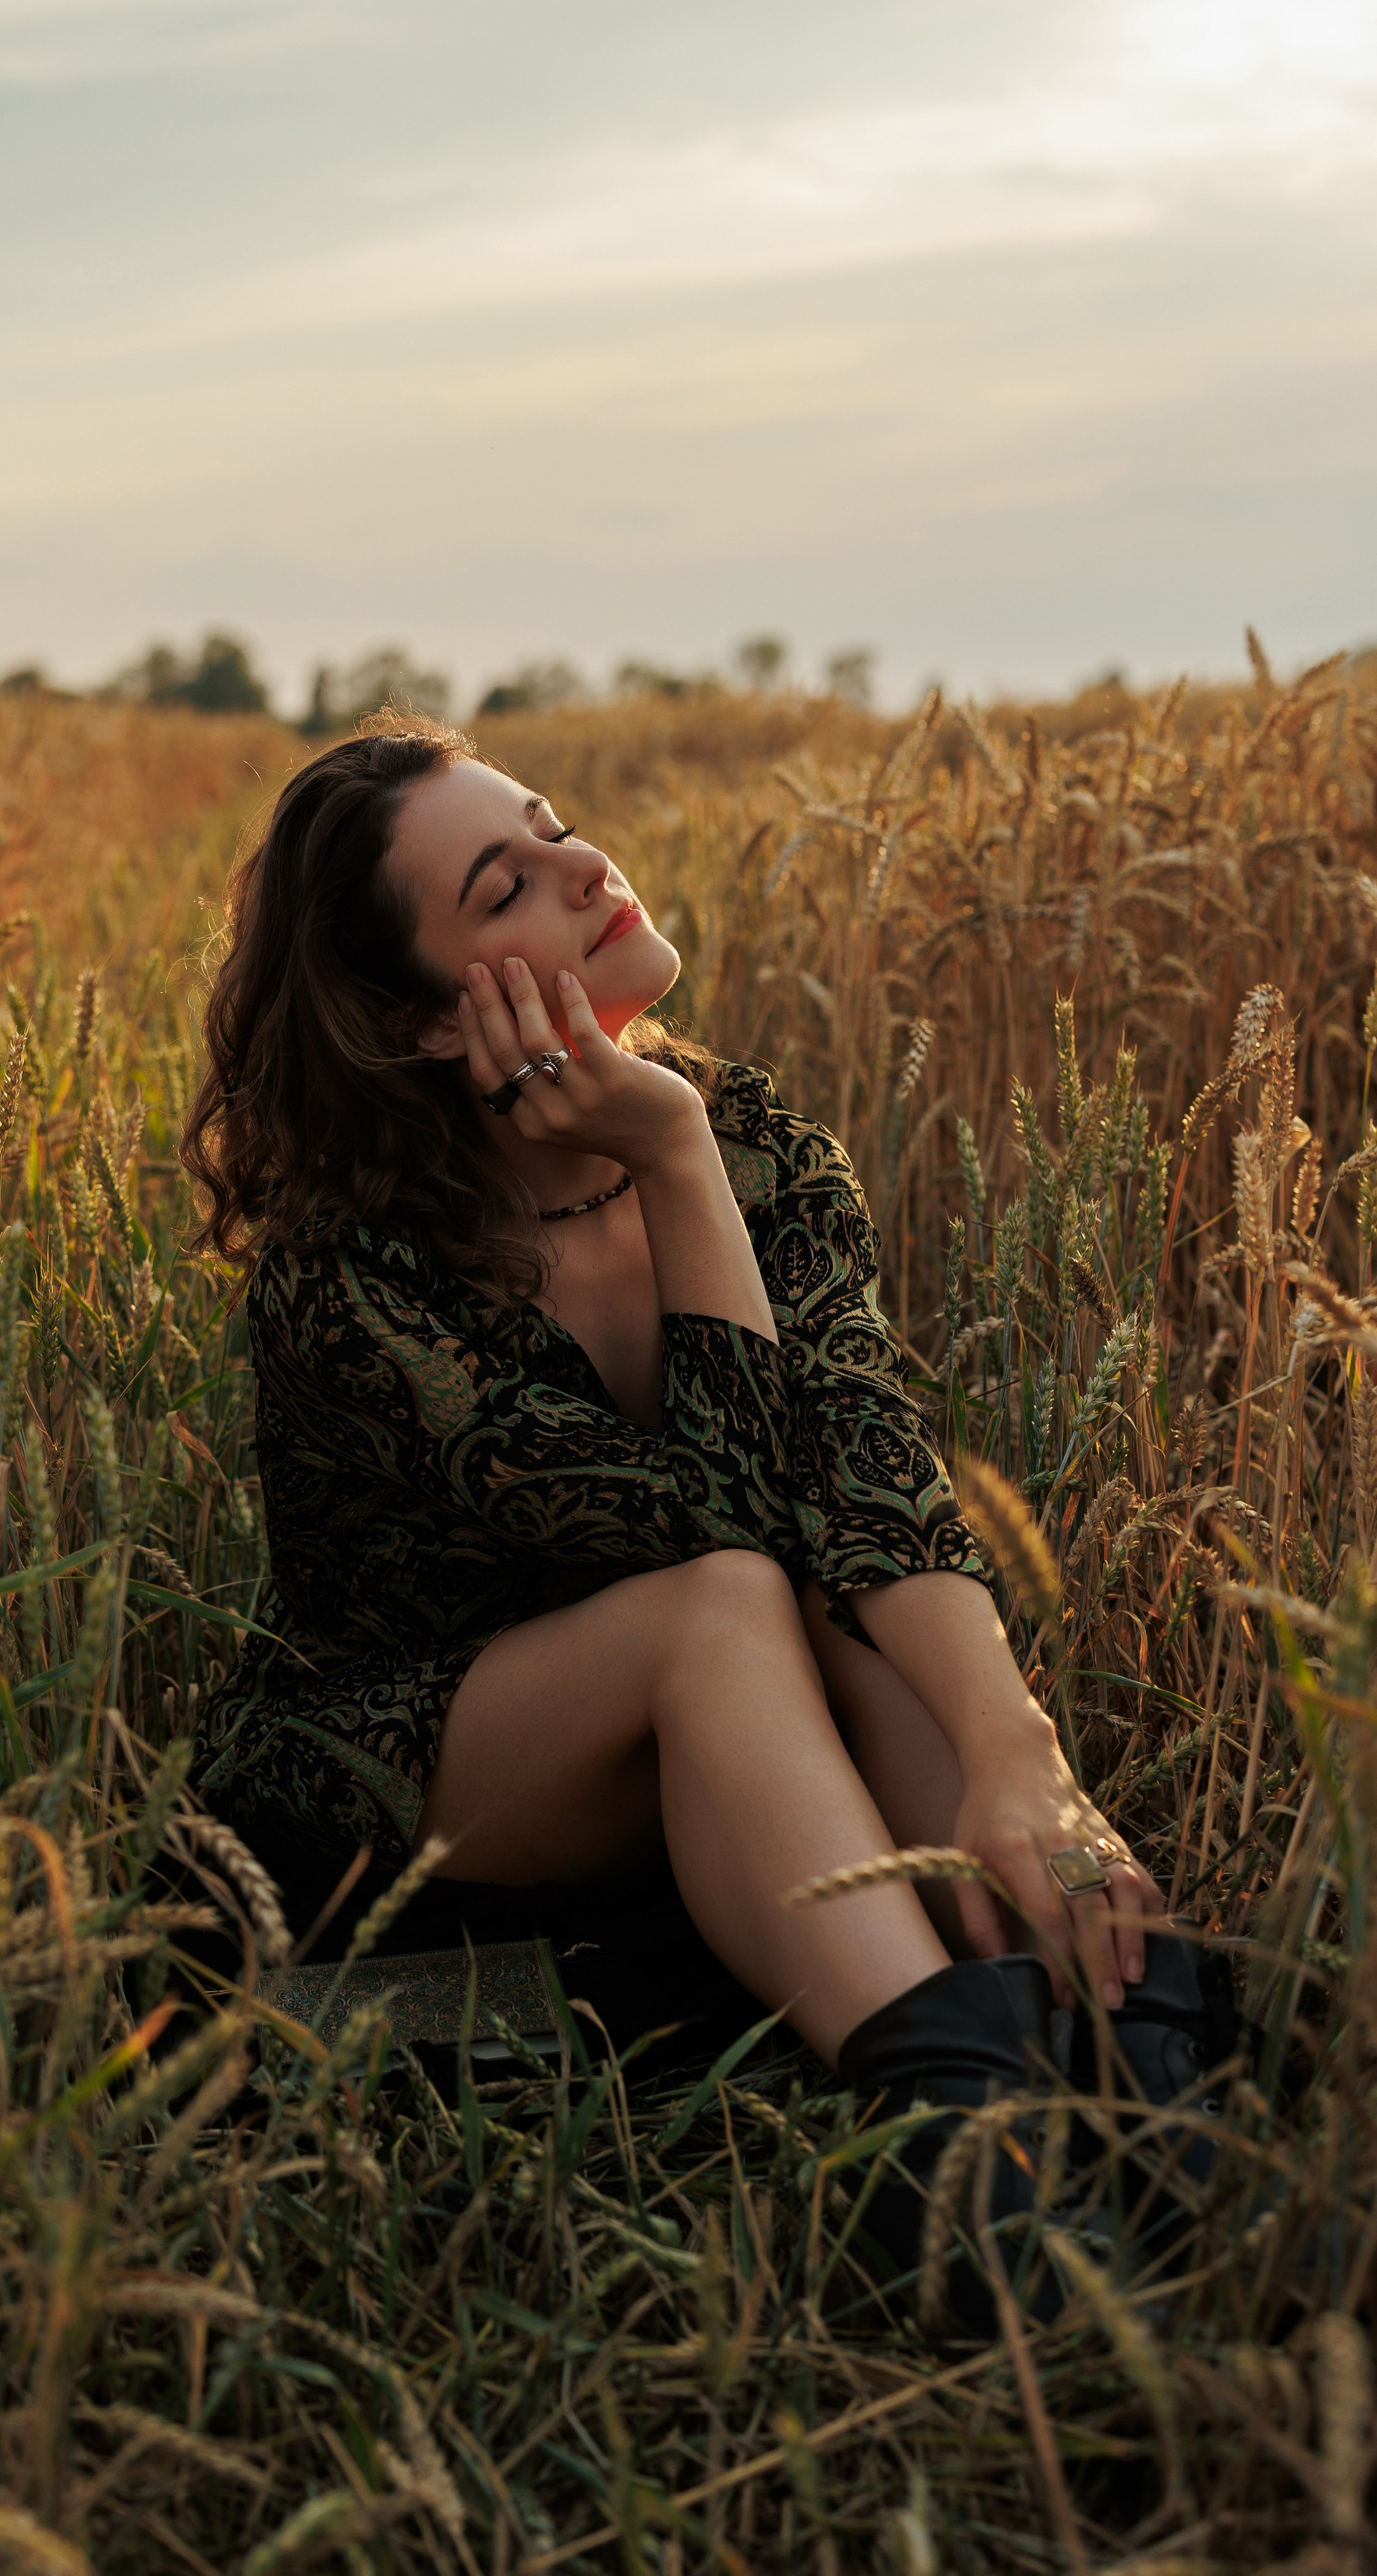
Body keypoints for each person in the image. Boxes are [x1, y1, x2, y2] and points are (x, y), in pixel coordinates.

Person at [183, 719, 1233, 2297]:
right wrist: (666, 1155)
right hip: (405, 1791)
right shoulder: (359, 1272)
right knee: (732, 1597)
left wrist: (1027, 1769)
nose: (582, 867)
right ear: (419, 1024)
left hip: (738, 1756)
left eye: (551, 826)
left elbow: (864, 1474)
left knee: (846, 1610)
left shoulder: (761, 1143)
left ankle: (1141, 2096)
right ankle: (953, 2165)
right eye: (503, 885)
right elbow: (717, 1520)